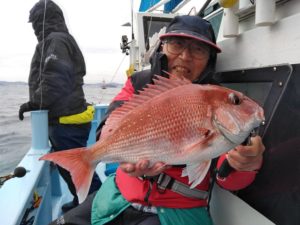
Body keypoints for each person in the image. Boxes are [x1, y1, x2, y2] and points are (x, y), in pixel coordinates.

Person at [49, 15, 264, 225]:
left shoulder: (216, 101)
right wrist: (118, 156)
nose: (185, 56)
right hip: (118, 196)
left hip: (177, 211)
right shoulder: (139, 82)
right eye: (177, 44)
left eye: (198, 50)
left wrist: (245, 165)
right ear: (163, 48)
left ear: (210, 59)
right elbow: (109, 124)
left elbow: (225, 173)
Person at [19, 0, 101, 212]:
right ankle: (83, 202)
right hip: (66, 121)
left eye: (36, 22)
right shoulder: (57, 39)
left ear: (43, 20)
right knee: (71, 171)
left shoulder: (55, 40)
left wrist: (32, 103)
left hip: (67, 124)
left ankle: (98, 209)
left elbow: (54, 80)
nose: (35, 27)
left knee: (78, 171)